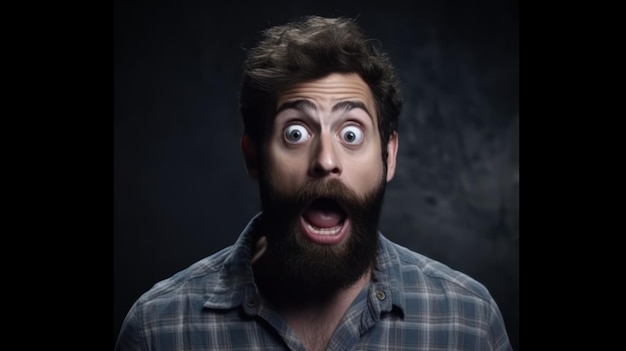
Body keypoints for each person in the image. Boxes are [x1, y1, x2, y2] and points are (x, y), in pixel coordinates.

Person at [115, 15, 513, 351]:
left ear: (388, 156)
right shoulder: (159, 328)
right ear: (254, 156)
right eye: (296, 133)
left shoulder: (468, 322)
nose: (325, 160)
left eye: (351, 134)